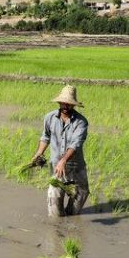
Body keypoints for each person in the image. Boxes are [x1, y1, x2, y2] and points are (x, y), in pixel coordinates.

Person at [31, 85, 89, 215]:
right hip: (56, 164)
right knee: (55, 196)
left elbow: (76, 143)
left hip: (76, 166)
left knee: (81, 194)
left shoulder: (81, 122)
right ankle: (57, 225)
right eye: (63, 103)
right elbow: (45, 136)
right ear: (59, 102)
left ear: (73, 105)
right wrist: (39, 152)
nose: (65, 106)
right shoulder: (49, 118)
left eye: (69, 104)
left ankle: (71, 215)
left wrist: (63, 160)